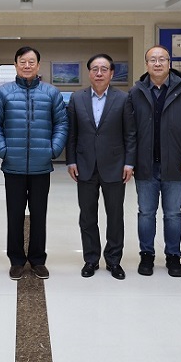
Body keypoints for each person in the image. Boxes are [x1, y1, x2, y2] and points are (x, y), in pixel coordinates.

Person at [0, 46, 68, 281]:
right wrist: (3, 150)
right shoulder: (3, 93)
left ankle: (38, 259)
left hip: (41, 165)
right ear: (15, 65)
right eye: (22, 61)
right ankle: (16, 260)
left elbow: (62, 123)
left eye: (31, 62)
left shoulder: (51, 93)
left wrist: (53, 149)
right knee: (14, 214)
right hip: (13, 165)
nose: (27, 65)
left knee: (39, 214)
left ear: (38, 65)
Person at [128, 45, 181, 277]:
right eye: (153, 60)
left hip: (176, 165)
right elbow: (130, 131)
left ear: (169, 63)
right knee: (146, 213)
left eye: (162, 59)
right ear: (146, 64)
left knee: (173, 214)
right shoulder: (136, 92)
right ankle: (146, 255)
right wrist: (130, 161)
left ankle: (173, 256)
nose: (158, 63)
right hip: (145, 165)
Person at [66, 53, 136, 280]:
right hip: (85, 165)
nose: (99, 73)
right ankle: (91, 259)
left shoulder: (123, 98)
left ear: (111, 73)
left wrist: (129, 162)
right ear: (89, 73)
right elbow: (72, 133)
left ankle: (114, 260)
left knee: (115, 216)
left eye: (104, 69)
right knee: (87, 216)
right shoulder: (77, 98)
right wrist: (71, 160)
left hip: (115, 166)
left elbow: (130, 134)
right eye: (94, 69)